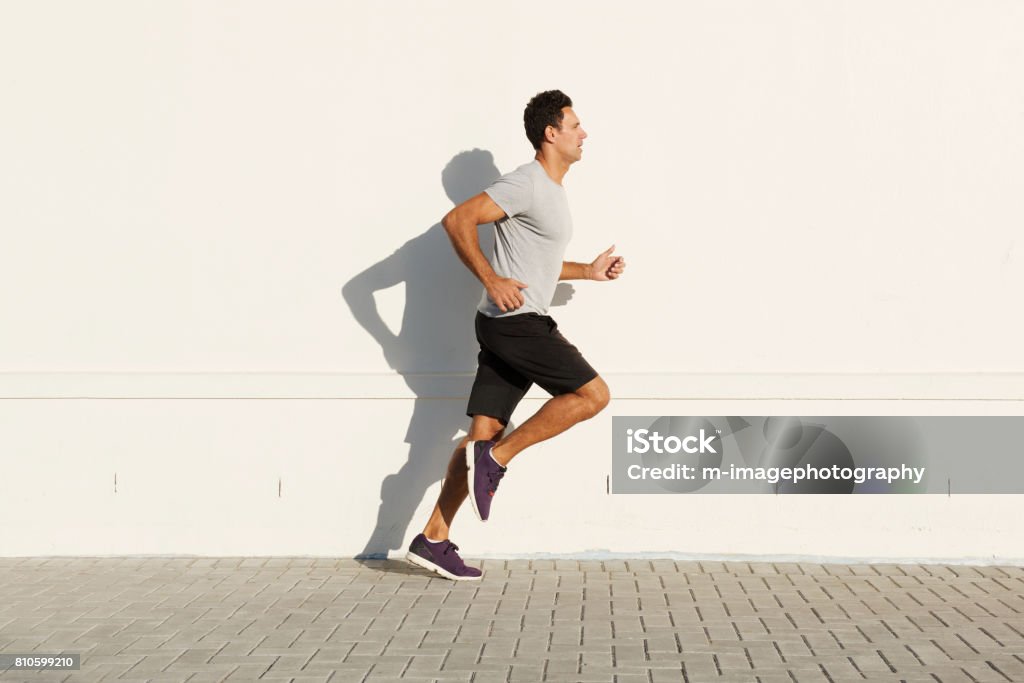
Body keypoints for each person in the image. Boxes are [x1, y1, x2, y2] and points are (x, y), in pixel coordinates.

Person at [405, 90, 626, 581]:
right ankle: (497, 459)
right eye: (575, 125)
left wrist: (588, 272)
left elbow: (537, 266)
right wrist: (490, 279)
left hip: (505, 325)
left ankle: (433, 538)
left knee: (481, 432)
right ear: (552, 133)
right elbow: (457, 220)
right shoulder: (525, 183)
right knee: (592, 395)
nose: (583, 133)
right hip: (518, 325)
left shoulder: (550, 190)